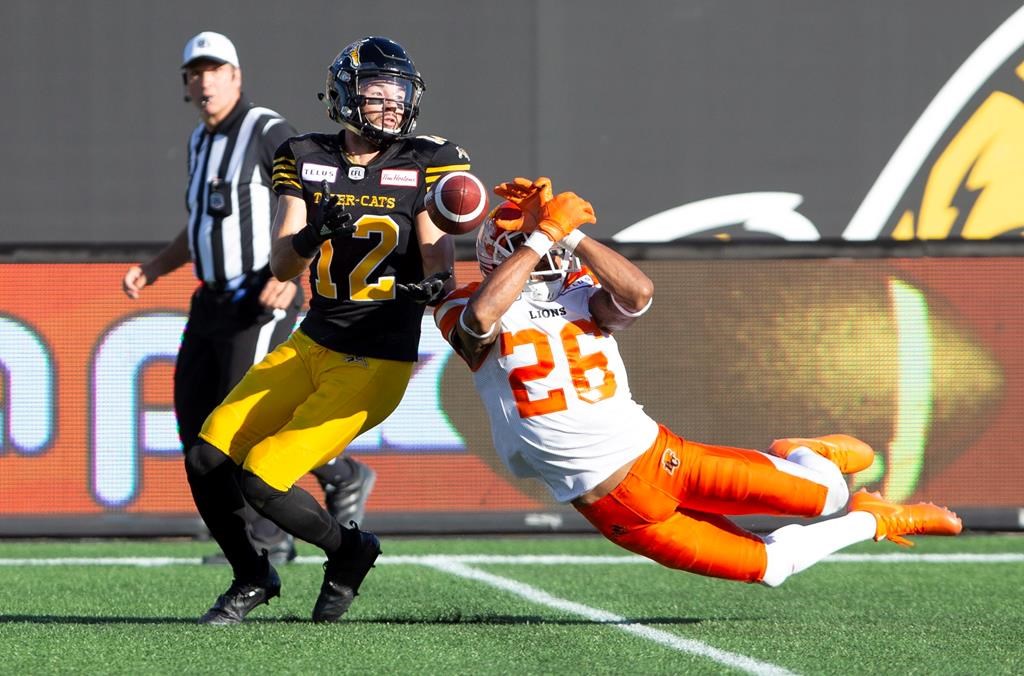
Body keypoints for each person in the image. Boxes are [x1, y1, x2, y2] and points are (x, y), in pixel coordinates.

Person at [433, 176, 963, 587]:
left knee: (826, 494)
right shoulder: (467, 304)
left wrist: (569, 232)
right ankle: (875, 519)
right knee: (771, 566)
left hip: (660, 459)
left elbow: (638, 294)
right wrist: (544, 234)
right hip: (612, 510)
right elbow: (481, 319)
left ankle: (804, 452)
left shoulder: (581, 293)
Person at [183, 35, 468, 625]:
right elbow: (284, 264)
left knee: (263, 477)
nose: (390, 107)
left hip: (378, 356)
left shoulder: (427, 161)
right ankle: (252, 574)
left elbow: (441, 259)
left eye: (398, 96)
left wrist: (435, 287)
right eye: (376, 95)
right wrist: (315, 235)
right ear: (344, 97)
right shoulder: (304, 153)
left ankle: (350, 550)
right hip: (313, 340)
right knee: (208, 455)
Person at [121, 31, 377, 565]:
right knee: (197, 427)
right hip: (212, 299)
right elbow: (200, 227)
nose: (204, 80)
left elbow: (317, 194)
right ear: (186, 84)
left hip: (263, 294)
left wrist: (292, 268)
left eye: (215, 69)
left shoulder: (264, 129)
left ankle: (272, 536)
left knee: (244, 418)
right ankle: (333, 477)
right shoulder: (198, 141)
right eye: (195, 71)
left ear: (236, 77)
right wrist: (154, 268)